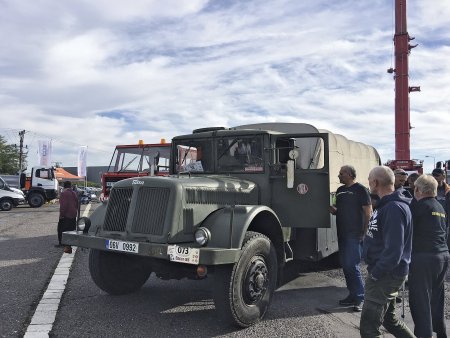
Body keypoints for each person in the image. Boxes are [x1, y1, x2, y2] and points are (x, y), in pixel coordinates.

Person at [360, 166, 414, 338]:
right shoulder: (387, 206)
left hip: (385, 276)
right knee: (390, 320)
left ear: (375, 182)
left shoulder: (393, 209)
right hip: (386, 274)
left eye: (369, 179)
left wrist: (376, 274)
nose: (368, 183)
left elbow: (394, 250)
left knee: (369, 329)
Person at [409, 174, 449, 338]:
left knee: (421, 303)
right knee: (436, 300)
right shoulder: (439, 206)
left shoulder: (418, 206)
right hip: (442, 256)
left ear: (417, 189)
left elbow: (407, 231)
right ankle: (441, 334)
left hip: (423, 257)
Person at [329, 165, 371, 312]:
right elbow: (336, 211)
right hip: (342, 233)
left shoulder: (361, 190)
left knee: (352, 265)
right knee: (346, 266)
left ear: (350, 174)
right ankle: (352, 295)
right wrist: (328, 207)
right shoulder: (339, 191)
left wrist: (364, 231)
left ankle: (360, 297)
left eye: (341, 174)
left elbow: (368, 212)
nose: (339, 176)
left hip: (355, 234)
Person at [57, 181, 79, 254]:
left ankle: (62, 243)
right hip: (73, 214)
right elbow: (77, 203)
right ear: (70, 186)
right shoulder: (74, 193)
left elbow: (63, 205)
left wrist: (61, 215)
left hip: (66, 215)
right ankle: (70, 243)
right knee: (72, 229)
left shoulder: (64, 193)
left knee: (61, 229)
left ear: (64, 186)